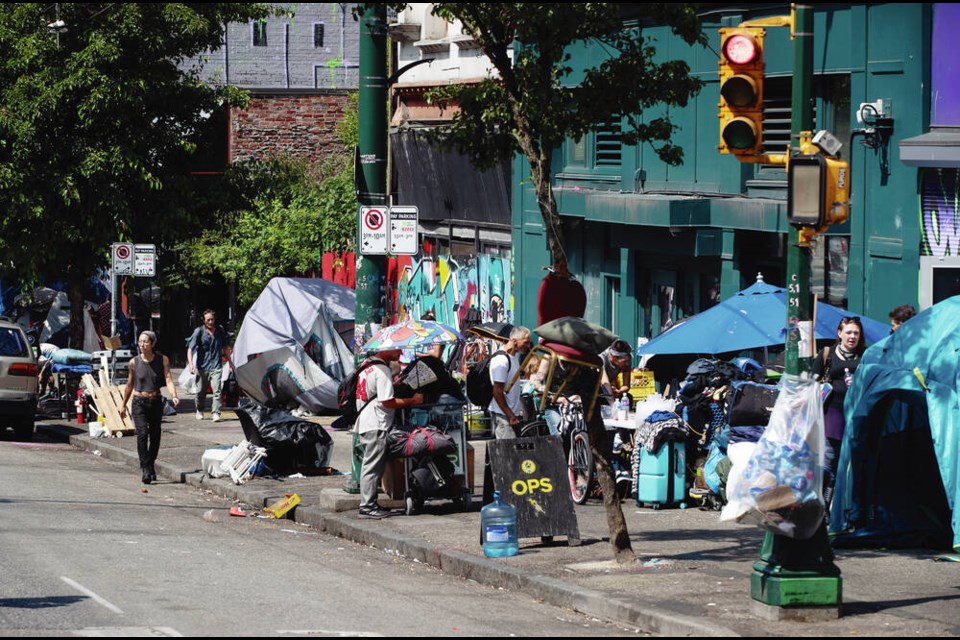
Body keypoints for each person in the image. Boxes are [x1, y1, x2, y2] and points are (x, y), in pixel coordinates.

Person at [355, 347, 424, 519]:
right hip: (376, 423)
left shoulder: (368, 364)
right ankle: (367, 506)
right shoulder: (383, 370)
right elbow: (387, 402)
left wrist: (394, 385)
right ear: (386, 348)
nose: (400, 353)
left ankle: (369, 504)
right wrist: (412, 400)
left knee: (372, 465)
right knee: (372, 467)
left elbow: (376, 392)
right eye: (397, 349)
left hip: (367, 421)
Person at [811, 316, 866, 508]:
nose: (852, 336)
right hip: (831, 415)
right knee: (828, 463)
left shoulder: (866, 356)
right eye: (849, 332)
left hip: (856, 417)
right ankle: (823, 505)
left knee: (850, 463)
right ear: (839, 333)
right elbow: (812, 381)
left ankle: (843, 507)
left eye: (856, 333)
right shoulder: (827, 354)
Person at [119, 331, 179, 484]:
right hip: (139, 401)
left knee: (155, 435)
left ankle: (150, 463)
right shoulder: (134, 362)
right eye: (140, 342)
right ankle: (145, 468)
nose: (142, 345)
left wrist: (174, 395)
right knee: (142, 434)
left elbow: (168, 379)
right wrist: (123, 405)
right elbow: (129, 385)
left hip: (156, 401)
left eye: (145, 342)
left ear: (152, 344)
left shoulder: (162, 360)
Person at [488, 326, 533, 439]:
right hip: (504, 416)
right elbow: (497, 391)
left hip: (512, 415)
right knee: (507, 453)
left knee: (514, 452)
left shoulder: (514, 358)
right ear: (514, 341)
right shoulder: (501, 360)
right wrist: (510, 415)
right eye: (526, 342)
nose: (528, 346)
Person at [187, 309, 228, 422]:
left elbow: (225, 347)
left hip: (216, 365)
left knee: (217, 391)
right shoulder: (199, 331)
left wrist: (231, 363)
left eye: (212, 319)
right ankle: (199, 410)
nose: (210, 322)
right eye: (208, 320)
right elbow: (190, 349)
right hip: (202, 366)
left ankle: (216, 412)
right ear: (204, 320)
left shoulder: (219, 330)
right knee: (200, 391)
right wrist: (191, 365)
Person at [536, 256, 586, 327]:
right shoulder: (546, 284)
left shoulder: (576, 287)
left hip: (569, 328)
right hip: (553, 327)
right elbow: (542, 312)